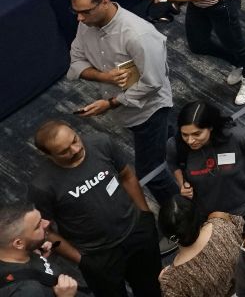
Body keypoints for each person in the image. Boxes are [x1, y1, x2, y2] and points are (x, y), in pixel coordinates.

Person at [64, 0, 176, 202]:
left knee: (151, 173)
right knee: (169, 139)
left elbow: (152, 83)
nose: (79, 18)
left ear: (104, 2)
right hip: (124, 108)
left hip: (148, 109)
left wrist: (111, 103)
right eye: (76, 12)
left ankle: (181, 214)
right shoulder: (86, 23)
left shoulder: (139, 35)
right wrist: (103, 77)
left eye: (84, 12)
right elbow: (76, 61)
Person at [27, 121, 161, 297]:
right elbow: (46, 230)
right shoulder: (42, 186)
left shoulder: (102, 143)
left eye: (74, 140)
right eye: (64, 151)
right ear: (48, 155)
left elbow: (127, 176)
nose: (75, 149)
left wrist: (145, 215)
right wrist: (81, 260)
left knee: (152, 289)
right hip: (98, 256)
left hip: (137, 234)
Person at [168, 100, 245, 218]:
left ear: (210, 127)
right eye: (185, 135)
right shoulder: (176, 145)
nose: (190, 140)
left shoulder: (237, 137)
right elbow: (173, 163)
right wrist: (182, 183)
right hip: (211, 217)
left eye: (197, 134)